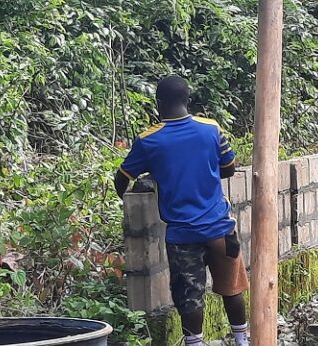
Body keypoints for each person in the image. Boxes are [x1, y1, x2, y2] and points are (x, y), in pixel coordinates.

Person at [113, 75, 249, 346]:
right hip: (220, 228)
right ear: (188, 100)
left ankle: (195, 343)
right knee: (232, 288)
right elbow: (229, 168)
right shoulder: (211, 129)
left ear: (158, 103)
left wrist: (134, 194)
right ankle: (242, 340)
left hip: (182, 235)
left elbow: (122, 177)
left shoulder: (149, 140)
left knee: (189, 295)